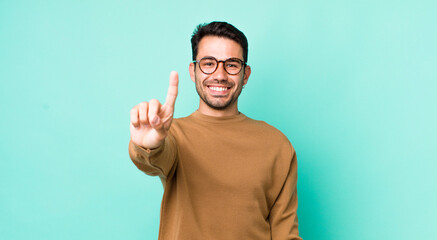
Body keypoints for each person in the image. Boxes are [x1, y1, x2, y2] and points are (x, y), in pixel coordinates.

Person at [128, 21, 302, 240]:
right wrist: (148, 144)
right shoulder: (173, 136)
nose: (220, 75)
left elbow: (285, 233)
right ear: (193, 71)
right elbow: (154, 159)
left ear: (245, 74)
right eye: (208, 63)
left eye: (231, 64)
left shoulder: (277, 145)